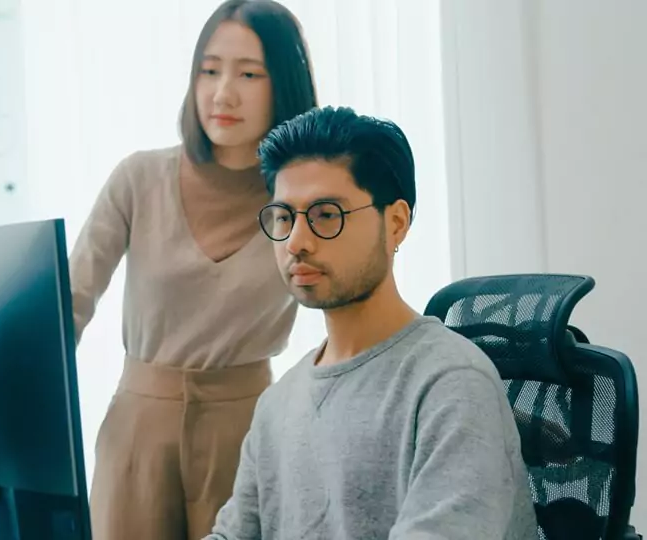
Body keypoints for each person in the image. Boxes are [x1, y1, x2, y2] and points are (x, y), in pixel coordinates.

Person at [207, 106, 539, 539]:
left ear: (396, 223)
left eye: (327, 214)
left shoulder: (450, 383)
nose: (297, 242)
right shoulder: (277, 404)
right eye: (285, 217)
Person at [67, 1, 318, 538]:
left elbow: (344, 301)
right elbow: (67, 308)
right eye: (209, 69)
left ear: (284, 84)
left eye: (248, 73)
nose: (222, 92)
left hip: (249, 432)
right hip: (137, 435)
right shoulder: (139, 178)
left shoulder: (301, 197)